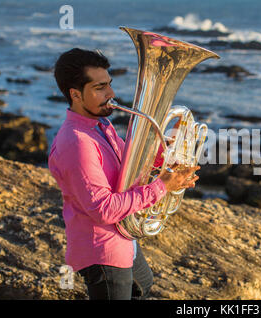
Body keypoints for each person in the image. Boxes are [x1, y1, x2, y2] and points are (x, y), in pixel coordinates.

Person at [48, 48, 199, 300]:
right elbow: (103, 209)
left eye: (109, 84)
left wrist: (166, 155)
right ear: (75, 94)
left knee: (143, 285)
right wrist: (162, 186)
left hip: (122, 235)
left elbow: (130, 167)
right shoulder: (77, 143)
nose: (111, 94)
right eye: (99, 88)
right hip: (102, 249)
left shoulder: (100, 125)